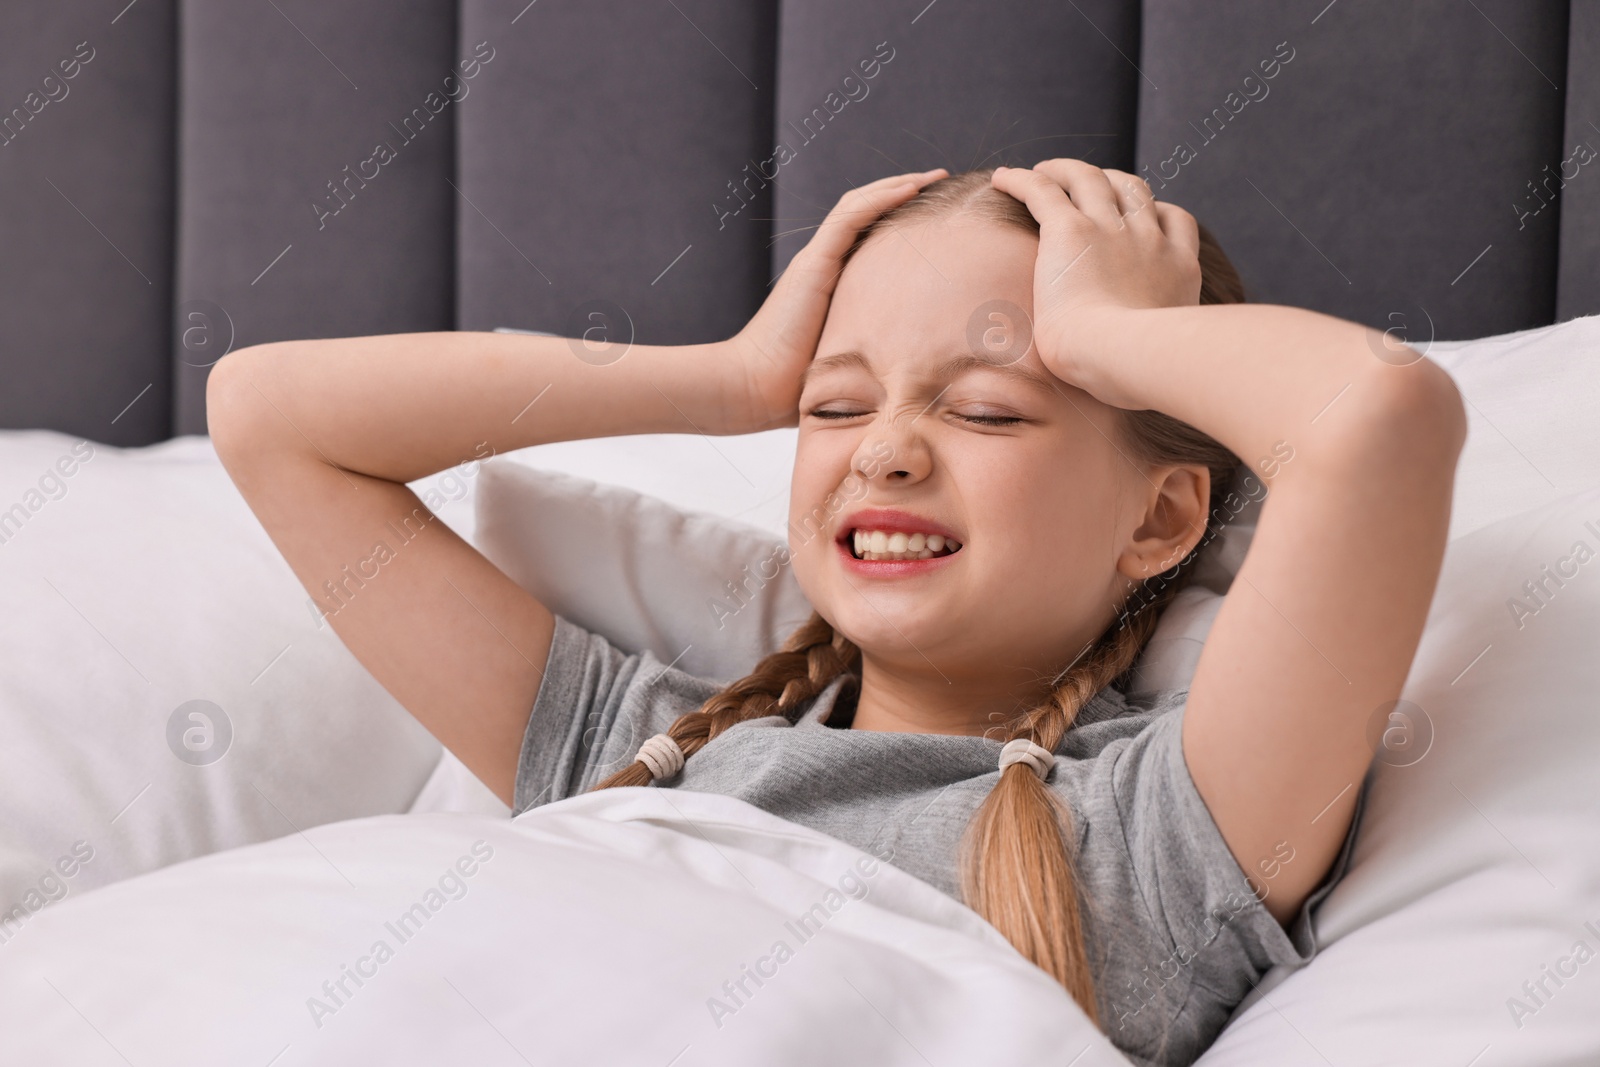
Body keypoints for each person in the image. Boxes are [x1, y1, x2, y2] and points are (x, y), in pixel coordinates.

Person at [206, 160, 1466, 1064]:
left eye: (987, 409)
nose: (888, 455)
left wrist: (1101, 330)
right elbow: (268, 414)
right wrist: (733, 376)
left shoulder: (1149, 842)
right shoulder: (650, 751)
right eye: (837, 408)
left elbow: (1378, 421)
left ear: (1162, 519)